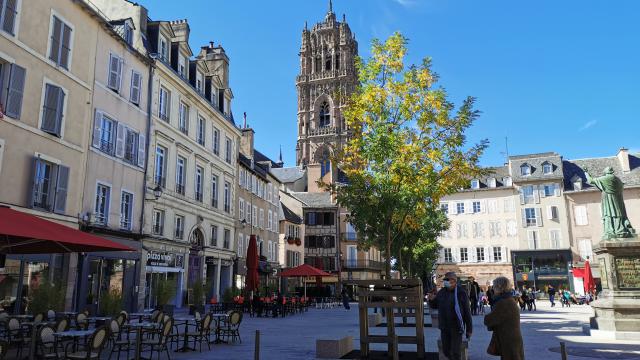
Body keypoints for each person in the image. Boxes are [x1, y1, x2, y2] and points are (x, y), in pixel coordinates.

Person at [428, 272, 472, 360]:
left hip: (456, 327)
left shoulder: (461, 293)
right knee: (446, 350)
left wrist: (469, 329)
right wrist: (431, 300)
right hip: (444, 326)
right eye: (445, 280)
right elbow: (435, 305)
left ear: (454, 281)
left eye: (447, 280)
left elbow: (467, 312)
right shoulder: (442, 292)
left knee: (456, 352)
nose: (445, 282)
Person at [484, 276, 525, 360]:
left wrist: (487, 317)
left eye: (494, 287)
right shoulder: (508, 299)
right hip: (511, 339)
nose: (493, 289)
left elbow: (489, 320)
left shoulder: (502, 302)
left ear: (500, 288)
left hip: (509, 340)